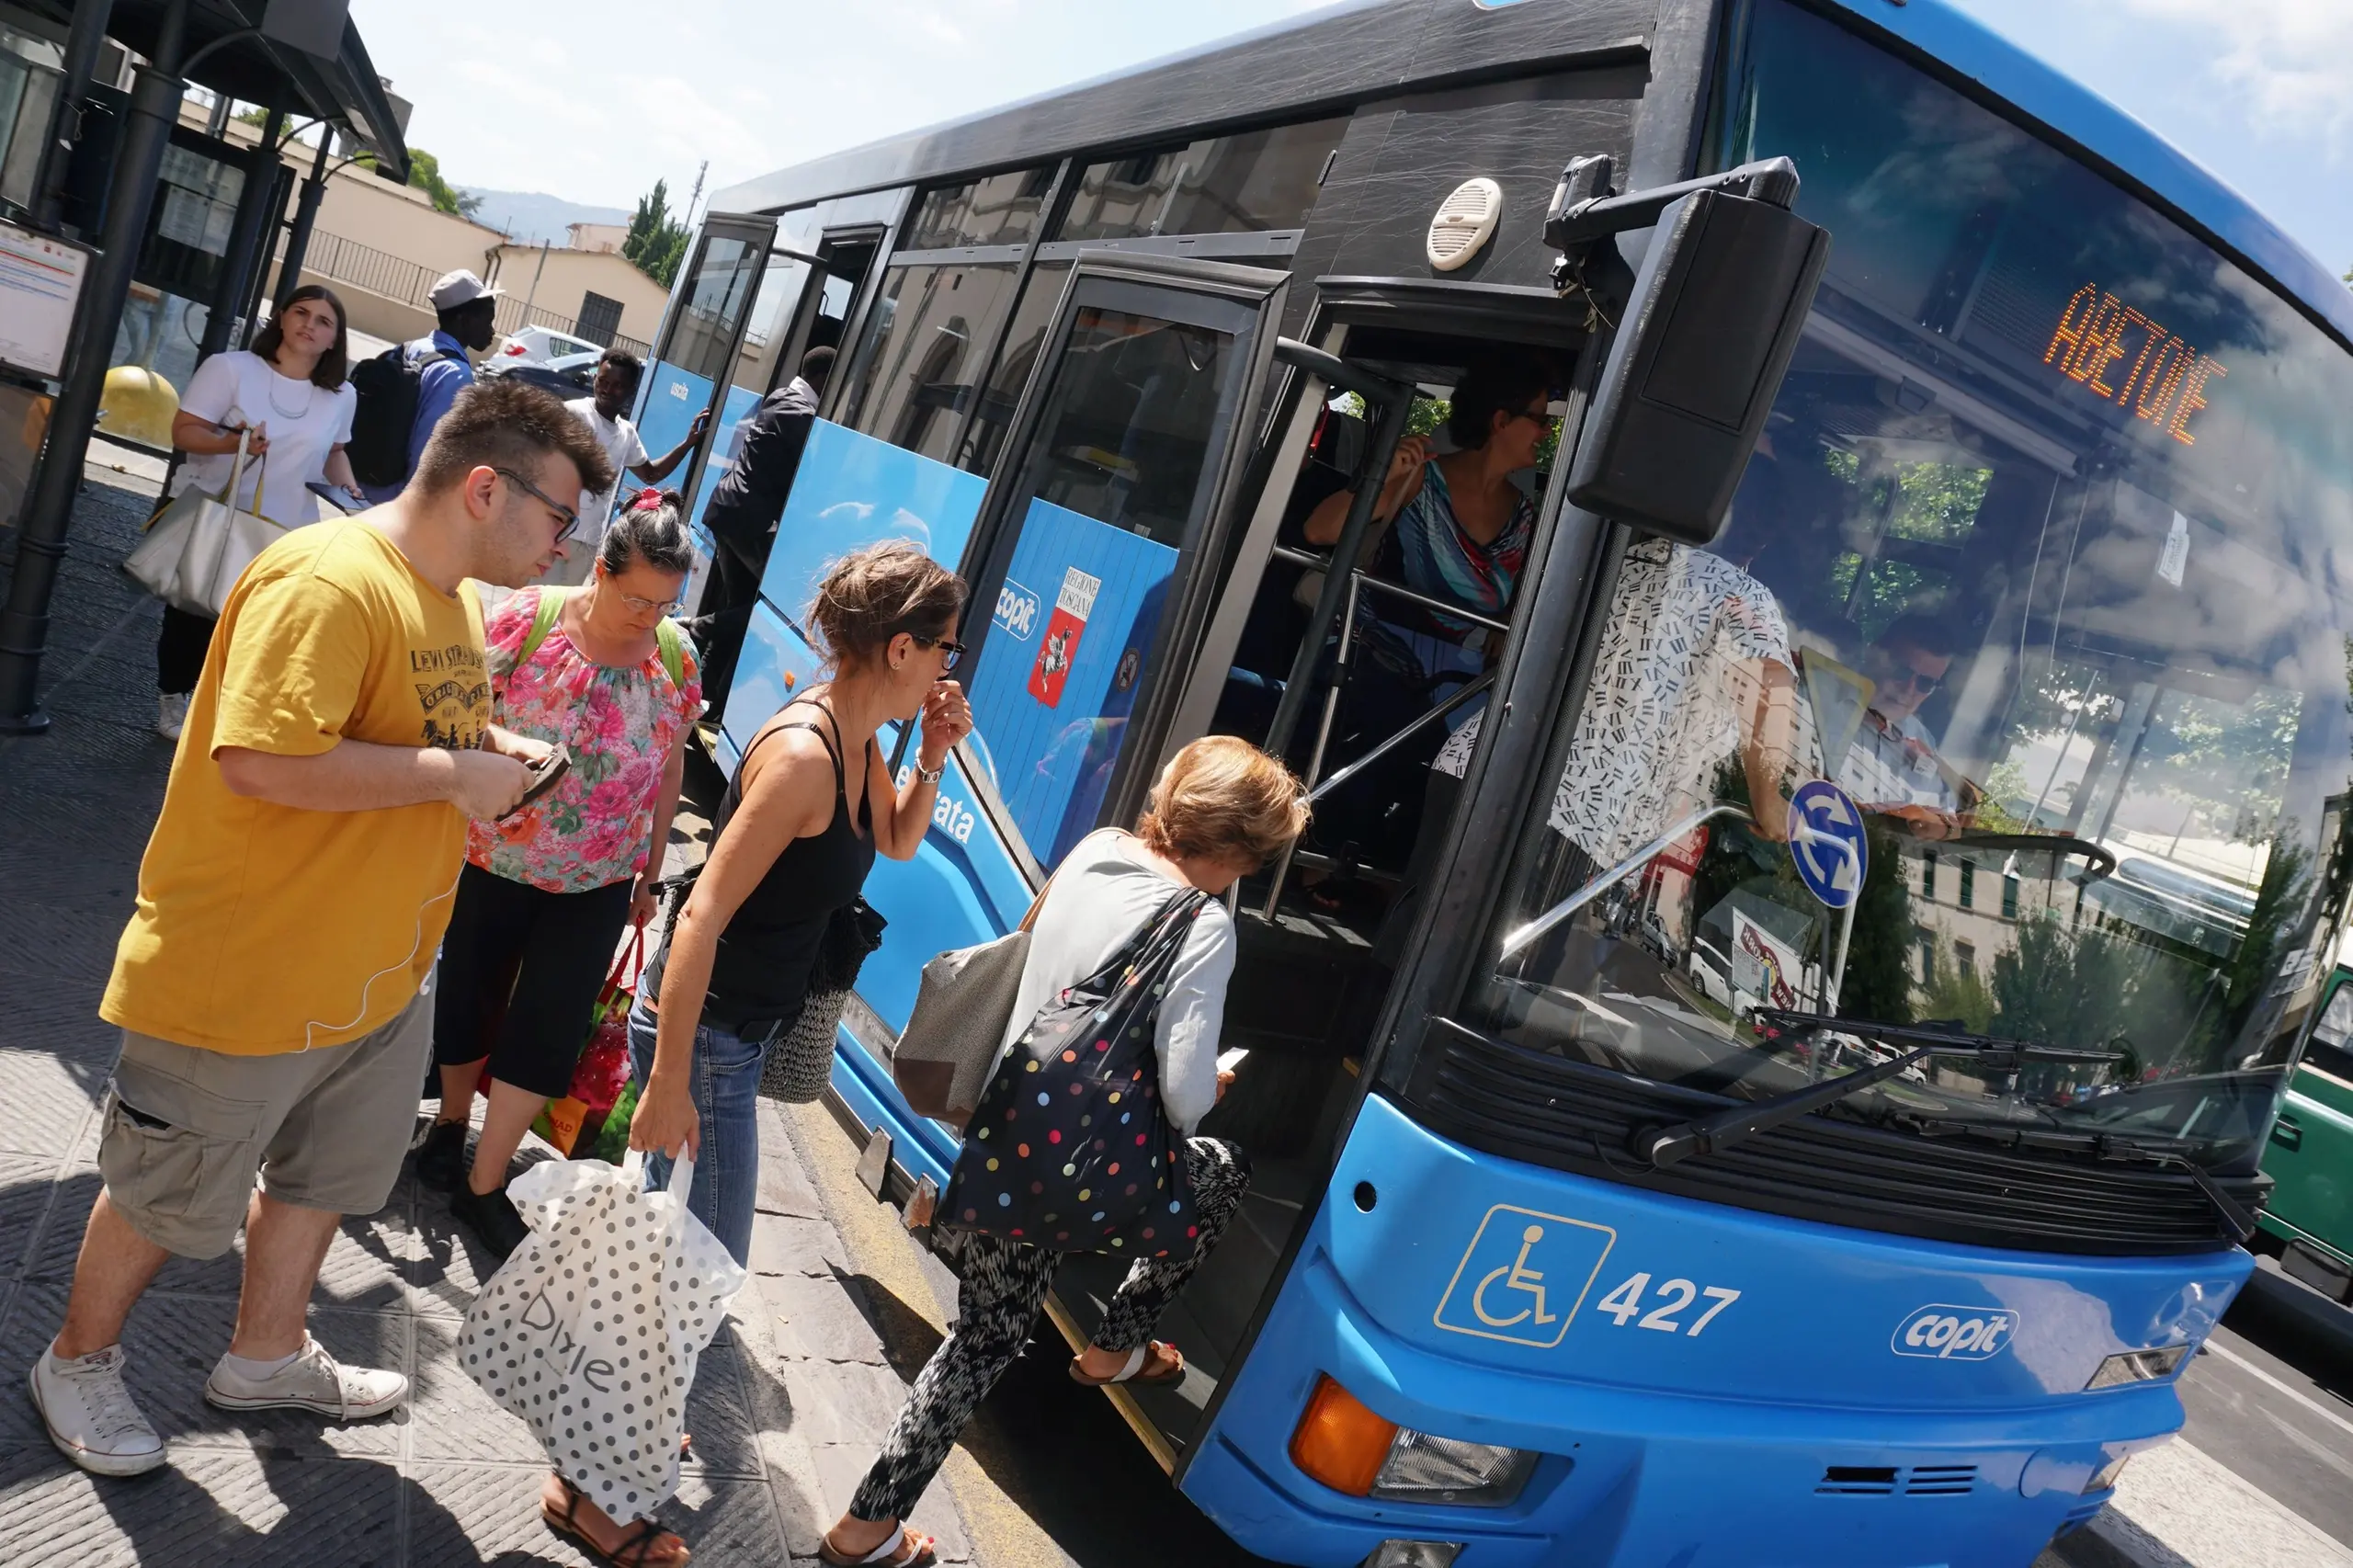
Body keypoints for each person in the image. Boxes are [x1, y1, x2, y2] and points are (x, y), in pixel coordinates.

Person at [28, 379, 613, 1480]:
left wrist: (492, 746)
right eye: (559, 515)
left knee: (321, 1178)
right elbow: (258, 758)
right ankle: (77, 1358)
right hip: (246, 966)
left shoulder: (442, 596)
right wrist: (458, 770)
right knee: (163, 1186)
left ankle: (264, 1353)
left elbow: (395, 725)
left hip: (376, 974)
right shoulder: (330, 577)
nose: (566, 546)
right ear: (485, 487)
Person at [537, 542, 963, 1568]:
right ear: (899, 644)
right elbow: (702, 917)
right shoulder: (807, 753)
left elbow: (896, 840)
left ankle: (601, 1440)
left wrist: (933, 752)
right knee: (695, 1270)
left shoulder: (860, 738)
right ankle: (589, 1491)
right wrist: (672, 1077)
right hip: (707, 1038)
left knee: (667, 1260)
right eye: (945, 650)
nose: (951, 669)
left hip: (729, 1036)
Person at [821, 736, 1309, 1568]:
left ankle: (877, 1523)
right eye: (1253, 860)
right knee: (1219, 1171)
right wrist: (1213, 1089)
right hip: (1073, 1166)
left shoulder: (1096, 851)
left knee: (986, 1332)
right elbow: (1186, 1096)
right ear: (1230, 848)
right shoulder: (1203, 927)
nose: (1247, 876)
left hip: (1004, 1128)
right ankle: (1111, 1347)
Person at [421, 489, 704, 1259]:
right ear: (602, 573)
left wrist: (650, 868)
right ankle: (448, 1125)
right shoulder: (528, 617)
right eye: (637, 598)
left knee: (544, 1030)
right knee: (469, 1001)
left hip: (599, 881)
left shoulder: (676, 656)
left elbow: (671, 759)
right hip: (493, 855)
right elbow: (459, 714)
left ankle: (485, 1182)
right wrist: (513, 746)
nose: (649, 618)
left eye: (664, 604)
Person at [154, 284, 364, 740]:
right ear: (282, 318)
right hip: (218, 511)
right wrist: (233, 442)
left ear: (335, 339)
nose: (310, 325)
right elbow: (184, 431)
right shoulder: (231, 368)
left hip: (288, 528)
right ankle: (173, 698)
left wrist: (350, 490)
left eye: (324, 321)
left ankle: (228, 708)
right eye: (302, 313)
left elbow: (335, 451)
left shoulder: (342, 395)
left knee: (262, 623)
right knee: (194, 609)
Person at [692, 345, 836, 715]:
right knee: (773, 607)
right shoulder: (802, 415)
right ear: (824, 379)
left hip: (729, 511)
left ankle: (701, 703)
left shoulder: (780, 398)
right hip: (747, 522)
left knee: (741, 609)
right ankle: (700, 626)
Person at [545, 348, 708, 585]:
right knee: (535, 606)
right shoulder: (572, 413)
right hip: (555, 532)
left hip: (588, 541)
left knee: (560, 611)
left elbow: (652, 474)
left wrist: (688, 443)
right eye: (603, 381)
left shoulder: (626, 433)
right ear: (595, 379)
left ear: (631, 390)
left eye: (618, 385)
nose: (607, 389)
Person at [356, 269, 501, 506]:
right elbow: (427, 453)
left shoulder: (409, 348)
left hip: (364, 486)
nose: (492, 331)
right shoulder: (455, 373)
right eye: (487, 320)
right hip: (396, 504)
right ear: (464, 319)